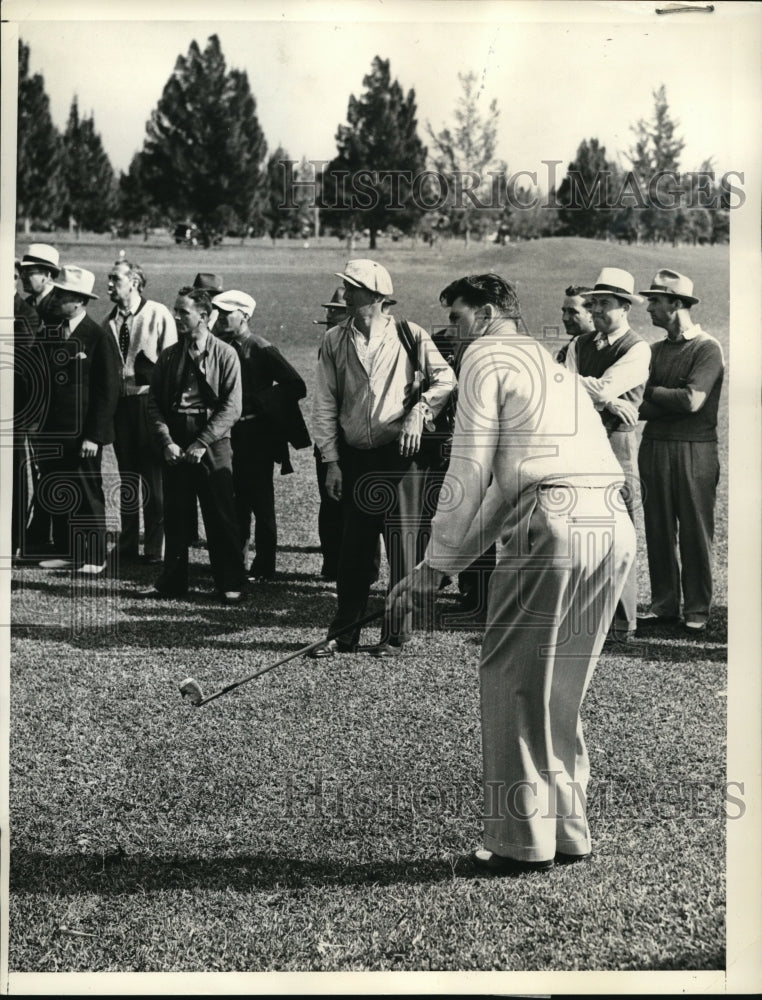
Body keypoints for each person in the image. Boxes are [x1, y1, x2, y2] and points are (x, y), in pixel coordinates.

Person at [388, 273, 635, 873]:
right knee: (559, 689)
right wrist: (439, 566)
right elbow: (503, 490)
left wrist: (433, 563)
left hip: (552, 523)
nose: (453, 332)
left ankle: (519, 844)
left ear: (491, 312)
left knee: (511, 681)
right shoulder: (554, 366)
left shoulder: (484, 357)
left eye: (459, 317)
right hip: (612, 523)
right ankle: (568, 833)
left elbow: (469, 471)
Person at [310, 259, 455, 657]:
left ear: (375, 296)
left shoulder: (410, 334)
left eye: (352, 288)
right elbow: (324, 403)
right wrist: (333, 461)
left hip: (402, 458)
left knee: (403, 548)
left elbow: (445, 379)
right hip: (356, 458)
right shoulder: (334, 340)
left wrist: (419, 412)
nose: (345, 294)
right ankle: (343, 632)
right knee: (353, 551)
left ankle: (396, 634)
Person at [143, 287, 246, 604]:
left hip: (213, 441)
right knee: (175, 514)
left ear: (203, 315)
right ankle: (171, 582)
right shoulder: (170, 355)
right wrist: (166, 441)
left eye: (183, 312)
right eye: (176, 310)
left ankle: (231, 583)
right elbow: (154, 403)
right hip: (176, 438)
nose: (176, 317)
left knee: (220, 515)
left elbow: (232, 407)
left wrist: (202, 442)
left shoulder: (225, 354)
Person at [636, 269, 724, 634]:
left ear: (676, 304)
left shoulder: (707, 348)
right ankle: (664, 604)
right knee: (657, 528)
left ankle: (698, 608)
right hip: (654, 446)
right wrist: (656, 397)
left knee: (693, 530)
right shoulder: (653, 350)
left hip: (695, 449)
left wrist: (652, 391)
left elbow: (691, 401)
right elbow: (635, 404)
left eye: (655, 300)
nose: (648, 307)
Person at [565, 268, 650, 642]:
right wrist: (602, 397)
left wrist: (603, 397)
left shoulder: (637, 347)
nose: (597, 309)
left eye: (606, 303)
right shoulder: (580, 344)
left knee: (620, 528)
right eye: (594, 302)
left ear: (625, 307)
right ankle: (583, 614)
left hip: (616, 446)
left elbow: (595, 389)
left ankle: (621, 621)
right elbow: (561, 385)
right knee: (577, 522)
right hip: (582, 440)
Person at [212, 289, 309, 581]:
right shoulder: (221, 345)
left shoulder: (260, 347)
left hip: (256, 434)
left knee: (259, 500)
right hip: (231, 433)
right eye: (219, 312)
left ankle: (265, 564)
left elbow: (296, 385)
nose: (221, 318)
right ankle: (236, 559)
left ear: (244, 316)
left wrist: (257, 401)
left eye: (227, 312)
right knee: (234, 498)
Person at [35, 267, 121, 574]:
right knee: (57, 490)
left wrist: (94, 436)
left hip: (83, 436)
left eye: (64, 295)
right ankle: (66, 550)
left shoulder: (97, 336)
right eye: (56, 293)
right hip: (51, 432)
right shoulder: (50, 331)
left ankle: (95, 556)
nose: (56, 299)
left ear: (80, 301)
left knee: (87, 492)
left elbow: (108, 391)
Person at [103, 259, 177, 566]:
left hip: (149, 404)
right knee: (128, 476)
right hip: (122, 407)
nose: (109, 284)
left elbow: (172, 363)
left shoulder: (157, 314)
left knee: (154, 477)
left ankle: (154, 547)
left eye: (115, 278)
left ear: (134, 281)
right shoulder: (109, 322)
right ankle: (129, 542)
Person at [12, 259, 43, 561]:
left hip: (15, 407)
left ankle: (14, 539)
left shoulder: (26, 314)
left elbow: (18, 358)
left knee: (15, 474)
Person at [18, 242, 61, 328]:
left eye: (28, 272)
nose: (22, 277)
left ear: (47, 275)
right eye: (22, 271)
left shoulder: (59, 306)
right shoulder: (28, 302)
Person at [556, 284, 595, 363]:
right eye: (564, 311)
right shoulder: (567, 350)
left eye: (572, 312)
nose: (565, 318)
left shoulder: (601, 351)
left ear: (592, 314)